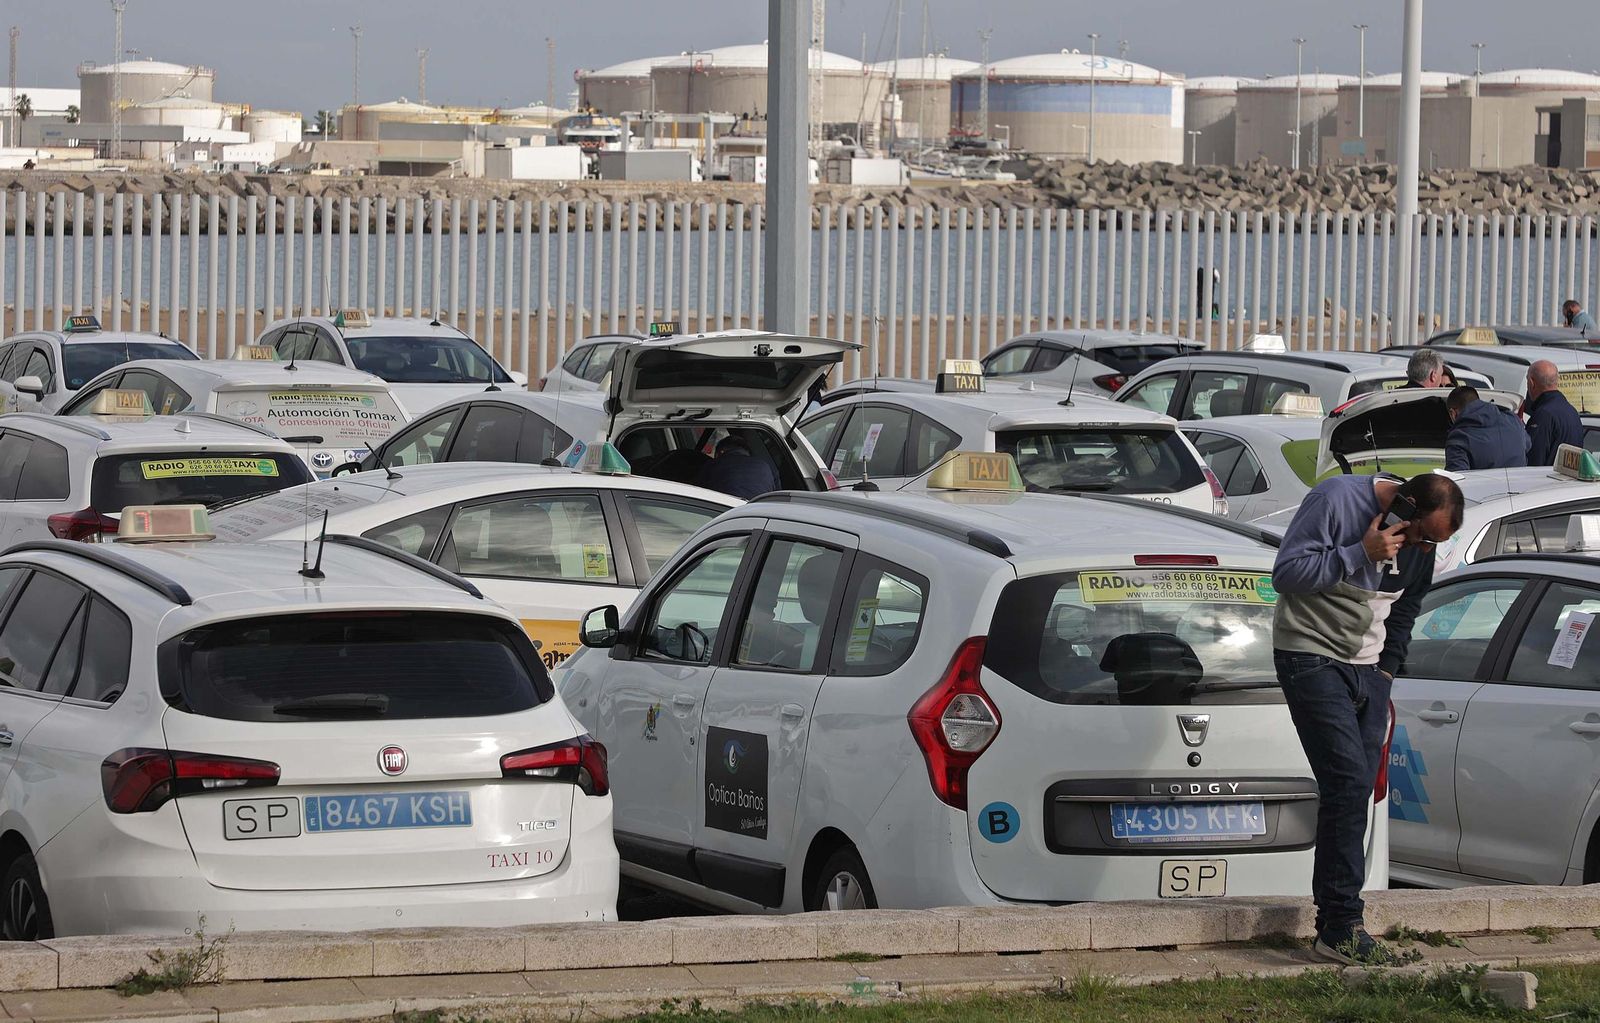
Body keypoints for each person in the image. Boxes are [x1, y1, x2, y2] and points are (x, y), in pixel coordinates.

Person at [1272, 471, 1465, 966]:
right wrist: (1360, 552)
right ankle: (1341, 925)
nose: (1421, 547)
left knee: (1356, 789)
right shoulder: (1334, 500)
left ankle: (1338, 926)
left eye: (1434, 542)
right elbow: (1286, 574)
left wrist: (1385, 673)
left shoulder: (1422, 543)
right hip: (1310, 654)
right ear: (1403, 505)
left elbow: (1408, 607)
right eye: (1420, 535)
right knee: (1345, 780)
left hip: (1369, 671)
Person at [1444, 385, 1528, 471]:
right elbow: (1528, 445)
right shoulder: (1514, 420)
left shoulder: (1459, 438)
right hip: (1521, 479)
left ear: (1453, 413)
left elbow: (1457, 476)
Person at [1524, 359, 1585, 466]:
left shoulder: (1543, 415)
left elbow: (1534, 460)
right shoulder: (1572, 411)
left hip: (1546, 476)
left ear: (1531, 383)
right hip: (1568, 476)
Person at [694, 435, 781, 499]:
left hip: (726, 513)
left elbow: (697, 493)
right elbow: (777, 497)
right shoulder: (767, 466)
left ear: (720, 452)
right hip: (759, 513)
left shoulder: (713, 465)